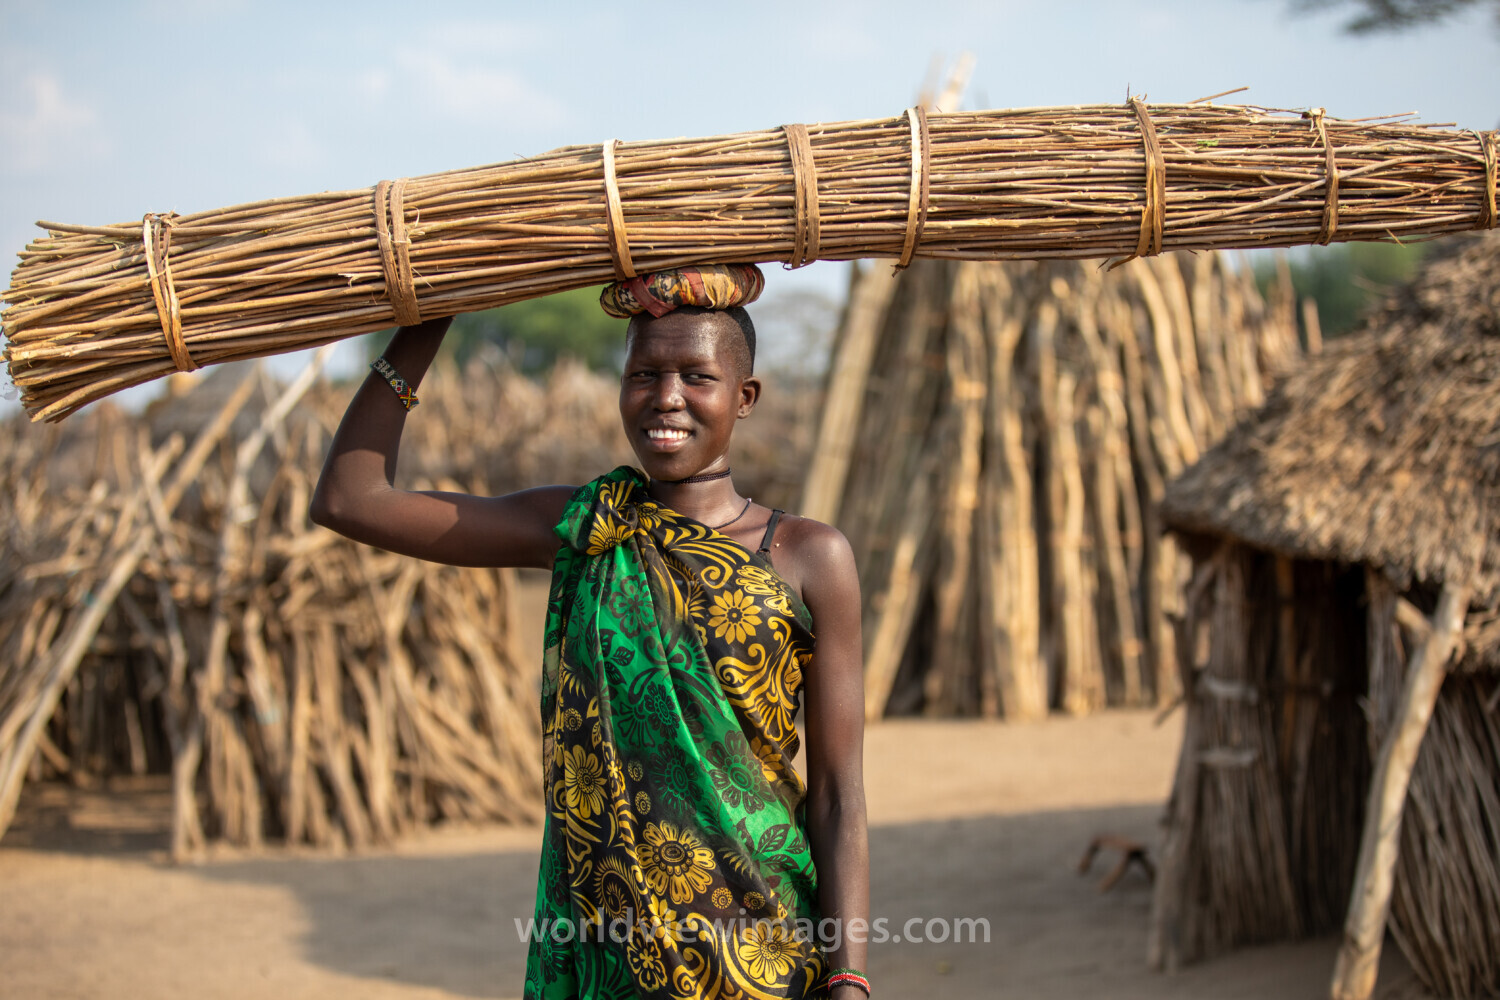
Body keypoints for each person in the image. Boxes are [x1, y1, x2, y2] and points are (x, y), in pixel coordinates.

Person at [310, 263, 871, 999]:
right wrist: (432, 317)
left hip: (763, 947)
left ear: (746, 397)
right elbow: (353, 500)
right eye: (643, 374)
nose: (666, 397)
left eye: (696, 376)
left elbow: (836, 795)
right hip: (610, 950)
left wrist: (850, 975)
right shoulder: (584, 528)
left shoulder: (807, 555)